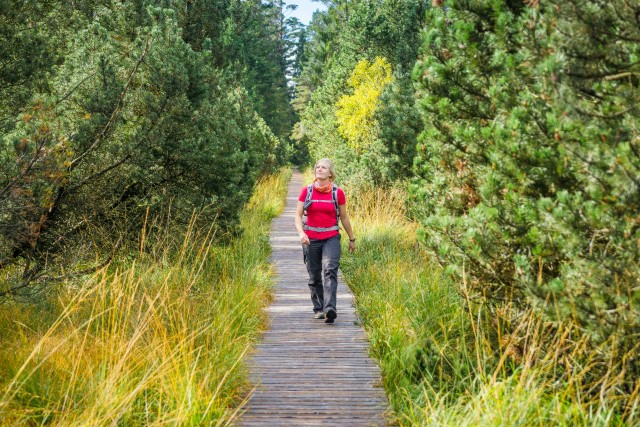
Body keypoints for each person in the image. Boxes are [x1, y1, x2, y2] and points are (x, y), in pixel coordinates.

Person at [294, 158, 356, 324]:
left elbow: (344, 217)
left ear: (330, 173)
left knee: (329, 269)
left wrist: (352, 238)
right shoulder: (306, 191)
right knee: (314, 276)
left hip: (331, 237)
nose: (319, 169)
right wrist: (301, 233)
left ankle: (330, 309)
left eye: (323, 167)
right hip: (310, 239)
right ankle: (319, 308)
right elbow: (298, 216)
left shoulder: (337, 193)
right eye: (317, 167)